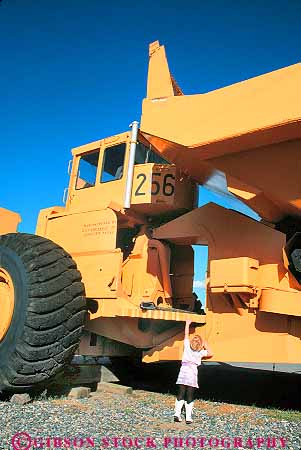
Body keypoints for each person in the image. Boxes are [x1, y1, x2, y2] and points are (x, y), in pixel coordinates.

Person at [174, 319, 213, 424]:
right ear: (200, 345)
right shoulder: (200, 352)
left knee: (181, 393)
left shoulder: (186, 347)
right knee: (190, 395)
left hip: (183, 372)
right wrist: (205, 343)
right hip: (192, 374)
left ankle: (177, 414)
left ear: (191, 342)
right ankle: (188, 417)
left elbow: (186, 335)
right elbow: (211, 353)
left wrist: (187, 324)